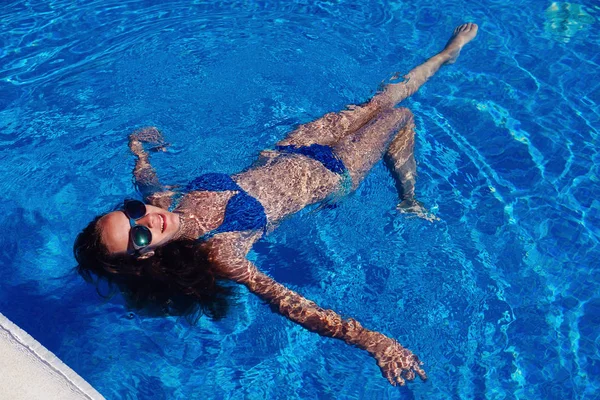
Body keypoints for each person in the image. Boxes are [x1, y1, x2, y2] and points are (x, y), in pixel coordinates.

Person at [74, 23, 478, 386]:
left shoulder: (160, 203)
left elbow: (146, 180)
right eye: (139, 234)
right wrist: (372, 341)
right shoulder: (220, 252)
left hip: (291, 148)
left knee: (379, 100)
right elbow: (289, 303)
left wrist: (139, 149)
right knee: (400, 116)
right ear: (145, 257)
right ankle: (409, 197)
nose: (147, 220)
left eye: (131, 213)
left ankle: (445, 56)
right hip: (336, 174)